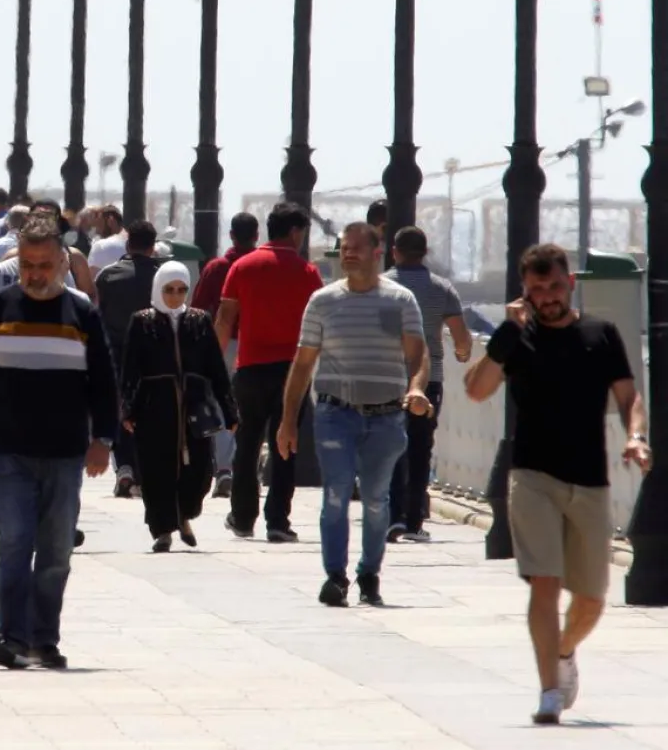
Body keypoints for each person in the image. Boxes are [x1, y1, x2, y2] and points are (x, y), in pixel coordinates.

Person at [462, 243, 650, 725]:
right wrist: (506, 332)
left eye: (553, 286)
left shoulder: (600, 333)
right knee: (543, 582)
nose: (546, 296)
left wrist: (636, 437)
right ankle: (549, 691)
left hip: (589, 479)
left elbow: (629, 396)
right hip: (532, 475)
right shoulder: (517, 340)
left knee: (590, 599)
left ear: (570, 283)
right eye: (536, 289)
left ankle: (563, 652)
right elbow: (477, 389)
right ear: (525, 292)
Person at [0, 216, 117, 670]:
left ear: (63, 264)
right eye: (27, 264)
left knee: (55, 551)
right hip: (8, 451)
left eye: (45, 265)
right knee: (14, 543)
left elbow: (105, 381)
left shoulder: (81, 312)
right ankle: (10, 634)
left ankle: (43, 638)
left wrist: (103, 439)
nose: (35, 274)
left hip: (65, 454)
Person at [276, 222, 430, 609]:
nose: (349, 253)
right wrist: (288, 420)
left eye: (358, 247)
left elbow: (418, 355)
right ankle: (335, 577)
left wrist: (416, 388)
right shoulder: (323, 301)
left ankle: (369, 573)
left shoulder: (400, 301)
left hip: (385, 418)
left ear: (378, 252)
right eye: (344, 247)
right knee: (335, 494)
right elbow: (302, 363)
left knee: (377, 500)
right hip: (335, 413)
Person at [214, 201, 323, 543]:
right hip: (293, 372)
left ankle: (243, 517)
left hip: (250, 368)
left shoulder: (242, 267)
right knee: (285, 443)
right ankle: (278, 520)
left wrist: (214, 366)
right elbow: (320, 325)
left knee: (246, 444)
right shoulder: (307, 272)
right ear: (294, 231)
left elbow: (224, 319)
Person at [120, 261, 237, 552]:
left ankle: (184, 514)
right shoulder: (142, 321)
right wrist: (127, 409)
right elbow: (129, 370)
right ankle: (162, 529)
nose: (175, 296)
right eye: (169, 290)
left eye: (181, 290)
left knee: (197, 470)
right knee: (155, 470)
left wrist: (229, 408)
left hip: (193, 408)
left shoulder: (199, 321)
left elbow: (216, 369)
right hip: (154, 407)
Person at [384, 226, 472, 543]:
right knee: (421, 448)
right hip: (430, 380)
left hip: (390, 378)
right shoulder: (442, 289)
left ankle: (391, 516)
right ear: (425, 252)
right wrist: (462, 354)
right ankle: (413, 520)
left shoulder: (384, 286)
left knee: (390, 446)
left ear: (394, 251)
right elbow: (462, 340)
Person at [93, 220, 166, 498]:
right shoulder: (162, 276)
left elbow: (100, 314)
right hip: (153, 354)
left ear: (128, 244)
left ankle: (124, 467)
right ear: (152, 246)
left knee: (122, 409)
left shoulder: (108, 276)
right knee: (150, 410)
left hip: (117, 354)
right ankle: (145, 468)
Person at [192, 212, 259, 499]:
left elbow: (198, 306)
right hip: (256, 345)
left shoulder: (217, 266)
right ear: (256, 236)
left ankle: (224, 469)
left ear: (231, 235)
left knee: (221, 407)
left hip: (221, 343)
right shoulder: (260, 267)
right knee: (251, 409)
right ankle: (244, 467)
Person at [84, 204, 126, 272]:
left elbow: (90, 279)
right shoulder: (136, 243)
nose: (97, 231)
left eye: (99, 225)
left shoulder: (101, 246)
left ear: (110, 220)